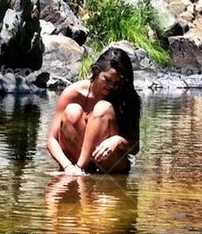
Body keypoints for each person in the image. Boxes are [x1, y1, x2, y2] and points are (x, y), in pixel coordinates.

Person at [47, 47, 141, 175]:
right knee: (72, 111)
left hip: (111, 163)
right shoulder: (73, 93)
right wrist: (67, 166)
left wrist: (118, 140)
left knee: (103, 108)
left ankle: (80, 168)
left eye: (117, 83)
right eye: (107, 80)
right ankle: (79, 170)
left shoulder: (128, 98)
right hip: (75, 163)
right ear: (96, 71)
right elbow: (52, 139)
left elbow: (135, 148)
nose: (111, 86)